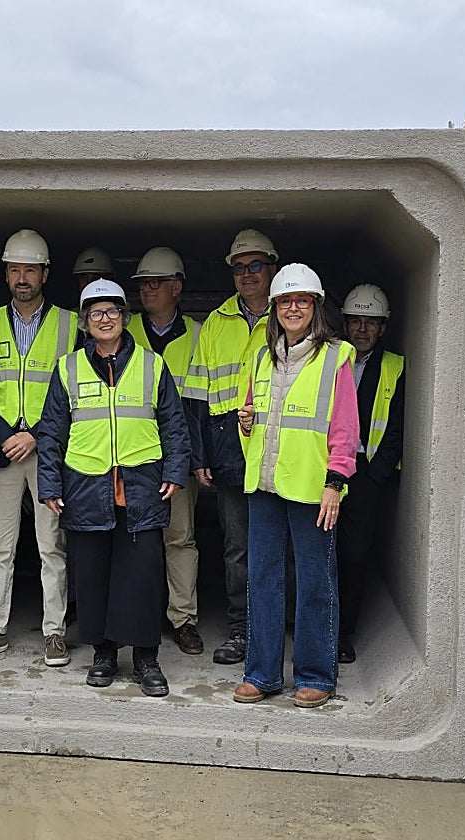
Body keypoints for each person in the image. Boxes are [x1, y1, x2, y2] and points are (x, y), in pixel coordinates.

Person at [37, 280, 190, 697]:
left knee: (141, 576)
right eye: (96, 313)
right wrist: (49, 482)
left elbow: (174, 425)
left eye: (112, 312)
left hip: (141, 488)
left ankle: (146, 658)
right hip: (86, 488)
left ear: (125, 318)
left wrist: (176, 472)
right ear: (85, 322)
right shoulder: (67, 368)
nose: (105, 319)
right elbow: (51, 432)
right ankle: (103, 653)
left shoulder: (151, 364)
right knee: (93, 577)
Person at [233, 264, 358, 709]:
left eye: (302, 300)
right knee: (262, 578)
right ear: (274, 309)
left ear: (315, 307)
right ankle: (262, 673)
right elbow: (252, 417)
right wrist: (245, 421)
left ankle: (316, 674)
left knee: (315, 581)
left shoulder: (336, 357)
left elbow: (345, 429)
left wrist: (335, 483)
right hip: (265, 485)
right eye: (285, 301)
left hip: (313, 488)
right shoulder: (261, 357)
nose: (293, 307)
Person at [0, 230, 78, 667]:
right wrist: (3, 436)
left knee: (51, 545)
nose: (22, 277)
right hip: (3, 450)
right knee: (1, 544)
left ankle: (55, 633)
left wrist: (35, 432)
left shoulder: (70, 324)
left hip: (47, 448)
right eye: (14, 269)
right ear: (6, 274)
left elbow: (75, 389)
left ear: (45, 273)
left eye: (29, 269)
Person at [181, 228, 277, 665]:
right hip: (228, 448)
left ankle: (273, 628)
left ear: (271, 268)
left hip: (279, 445)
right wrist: (200, 455)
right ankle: (241, 631)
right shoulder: (215, 323)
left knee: (278, 544)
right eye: (239, 268)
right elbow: (198, 394)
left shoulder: (291, 314)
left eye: (255, 265)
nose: (247, 274)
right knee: (236, 546)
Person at [128, 246, 204, 655]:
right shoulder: (124, 332)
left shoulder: (197, 334)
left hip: (176, 455)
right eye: (142, 283)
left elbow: (198, 403)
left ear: (177, 287)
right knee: (134, 541)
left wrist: (193, 459)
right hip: (132, 455)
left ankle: (183, 618)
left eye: (156, 282)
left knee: (179, 538)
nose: (147, 289)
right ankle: (139, 615)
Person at [336, 284, 404, 664]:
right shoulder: (330, 360)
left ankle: (345, 630)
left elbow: (397, 426)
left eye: (371, 323)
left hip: (365, 473)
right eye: (356, 321)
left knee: (355, 553)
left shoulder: (395, 367)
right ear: (345, 324)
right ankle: (316, 622)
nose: (363, 329)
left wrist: (375, 476)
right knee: (319, 549)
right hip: (329, 467)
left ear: (382, 328)